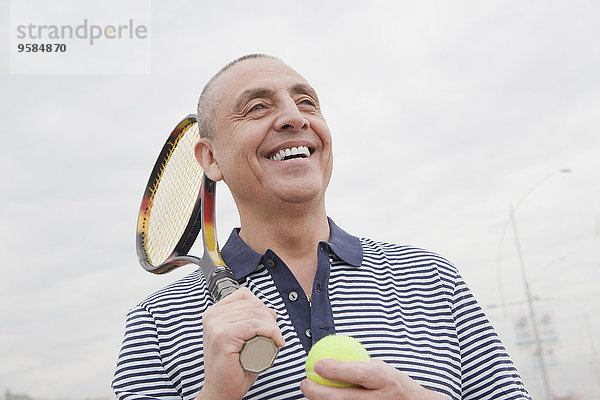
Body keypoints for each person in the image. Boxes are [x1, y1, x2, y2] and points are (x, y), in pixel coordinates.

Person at [113, 54, 530, 400]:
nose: (294, 118)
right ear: (210, 159)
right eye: (258, 107)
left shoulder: (434, 277)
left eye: (307, 103)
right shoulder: (154, 322)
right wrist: (217, 395)